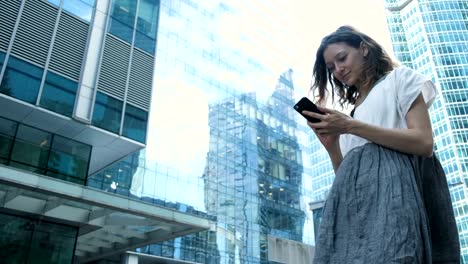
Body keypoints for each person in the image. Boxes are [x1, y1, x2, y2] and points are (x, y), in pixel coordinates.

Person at [302, 25, 460, 263]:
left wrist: (350, 127)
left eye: (342, 58)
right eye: (331, 67)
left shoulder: (399, 80)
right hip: (360, 217)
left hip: (396, 202)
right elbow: (348, 182)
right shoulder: (350, 117)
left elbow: (424, 142)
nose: (338, 70)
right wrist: (332, 145)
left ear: (364, 49)